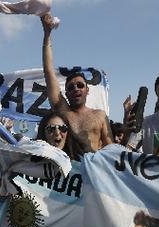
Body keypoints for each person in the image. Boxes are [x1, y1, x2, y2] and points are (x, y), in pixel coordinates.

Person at [40, 13, 112, 153]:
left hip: (93, 171)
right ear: (66, 93)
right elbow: (49, 71)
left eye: (80, 85)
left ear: (87, 90)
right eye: (71, 87)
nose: (76, 89)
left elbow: (111, 148)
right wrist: (47, 34)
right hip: (69, 171)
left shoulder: (100, 115)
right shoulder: (63, 112)